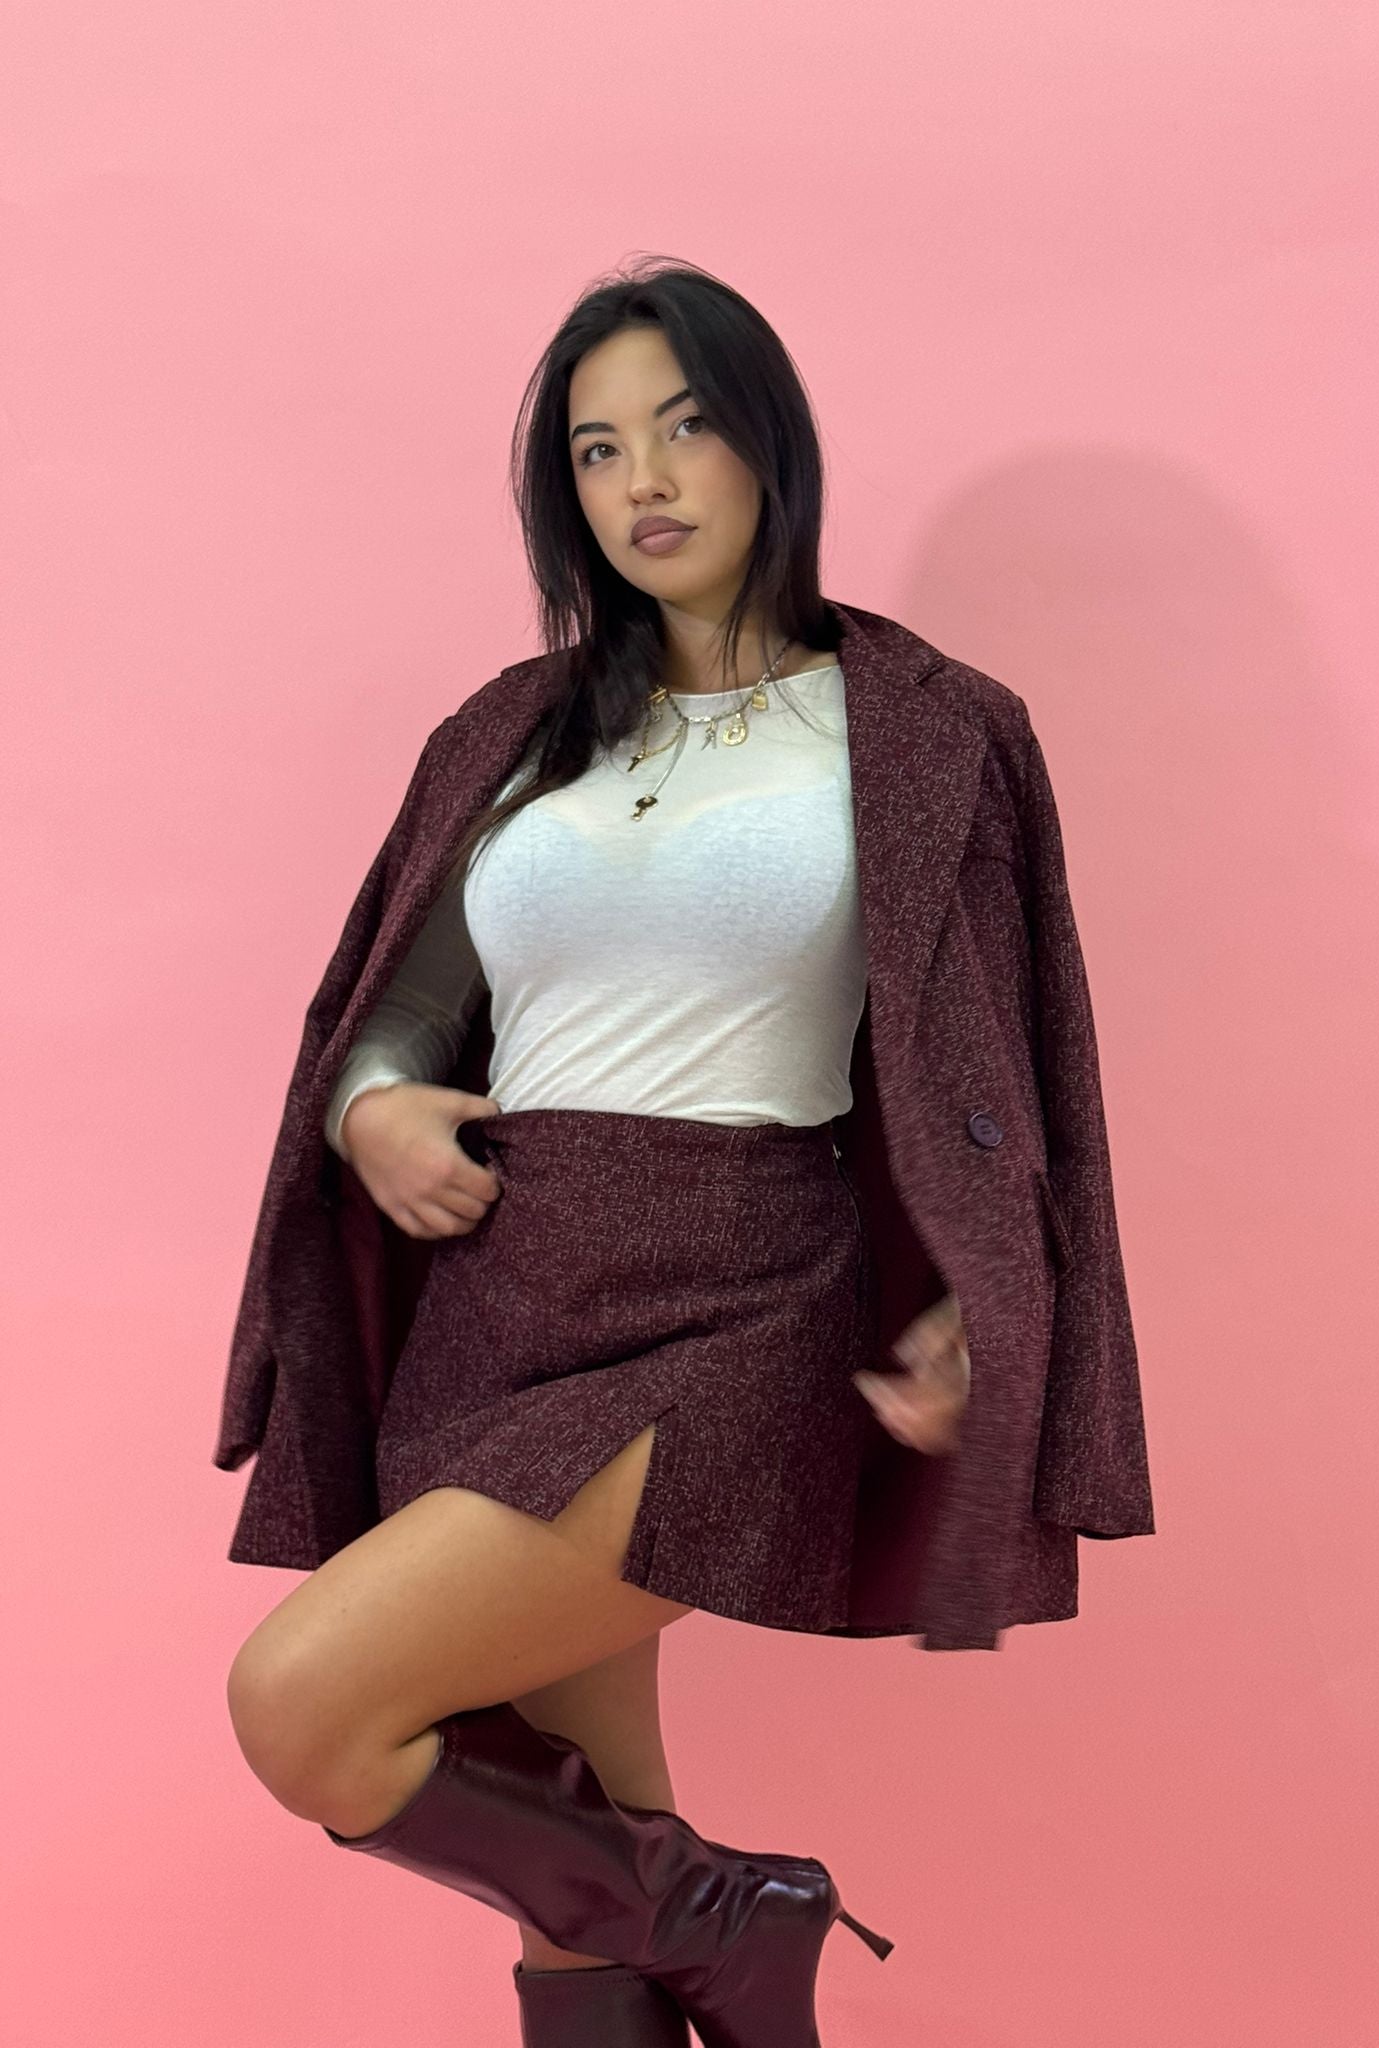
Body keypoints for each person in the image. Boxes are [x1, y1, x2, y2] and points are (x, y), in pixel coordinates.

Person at [219, 258, 1155, 2048]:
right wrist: (373, 1112)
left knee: (307, 1704)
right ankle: (715, 1940)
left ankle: (740, 1916)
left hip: (744, 1299)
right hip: (498, 1302)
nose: (642, 480)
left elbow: (1007, 1060)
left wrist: (989, 1287)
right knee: (580, 1914)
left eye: (685, 426)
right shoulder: (510, 733)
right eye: (595, 449)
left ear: (769, 443)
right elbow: (392, 1018)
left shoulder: (925, 724)